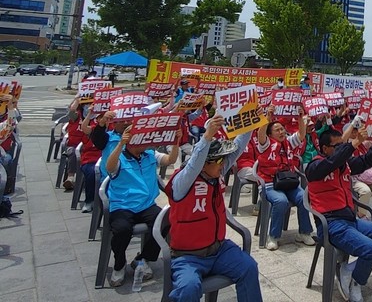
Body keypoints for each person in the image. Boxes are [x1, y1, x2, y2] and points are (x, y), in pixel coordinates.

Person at [165, 115, 262, 302]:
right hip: (187, 257)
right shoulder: (182, 181)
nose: (224, 164)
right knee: (188, 288)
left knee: (249, 268)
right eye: (218, 161)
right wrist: (207, 136)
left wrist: (251, 120)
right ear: (204, 163)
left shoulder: (217, 173)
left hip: (219, 250)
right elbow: (194, 165)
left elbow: (238, 147)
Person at [306, 126, 372, 302]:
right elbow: (331, 163)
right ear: (325, 148)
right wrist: (354, 143)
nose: (342, 149)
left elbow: (365, 161)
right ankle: (357, 281)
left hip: (350, 219)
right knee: (371, 249)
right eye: (337, 146)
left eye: (343, 145)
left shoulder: (344, 165)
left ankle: (351, 273)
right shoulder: (315, 166)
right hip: (331, 224)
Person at [104, 122, 180, 287]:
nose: (146, 141)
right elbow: (109, 167)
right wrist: (121, 144)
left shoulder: (150, 154)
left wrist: (176, 142)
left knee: (165, 220)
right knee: (122, 229)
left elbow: (170, 159)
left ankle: (143, 258)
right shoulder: (120, 157)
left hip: (146, 205)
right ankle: (119, 264)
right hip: (122, 206)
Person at [255, 114, 315, 250]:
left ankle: (304, 233)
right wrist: (267, 118)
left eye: (282, 129)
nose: (281, 132)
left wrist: (300, 118)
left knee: (303, 197)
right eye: (277, 130)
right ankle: (273, 236)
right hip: (270, 184)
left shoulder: (288, 142)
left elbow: (301, 134)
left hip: (288, 182)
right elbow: (261, 133)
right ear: (270, 134)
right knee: (281, 201)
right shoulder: (265, 144)